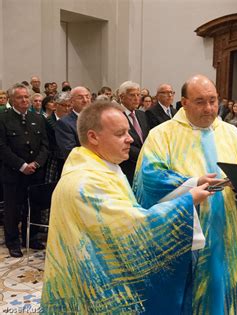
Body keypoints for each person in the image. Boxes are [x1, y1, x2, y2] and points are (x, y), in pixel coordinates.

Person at [41, 101, 212, 313]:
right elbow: (135, 227)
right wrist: (186, 203)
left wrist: (190, 186)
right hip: (91, 293)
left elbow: (126, 215)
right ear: (93, 137)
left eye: (128, 132)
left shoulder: (101, 167)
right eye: (120, 133)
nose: (130, 139)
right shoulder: (86, 184)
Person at [133, 74, 237, 314]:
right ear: (184, 102)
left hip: (226, 232)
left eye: (213, 100)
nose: (209, 108)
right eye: (200, 101)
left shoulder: (233, 134)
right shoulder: (163, 135)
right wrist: (191, 184)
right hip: (183, 236)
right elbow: (148, 177)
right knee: (188, 296)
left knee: (220, 289)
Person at [0, 83, 49, 257]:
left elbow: (45, 144)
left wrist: (36, 163)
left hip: (35, 172)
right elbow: (2, 147)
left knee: (34, 207)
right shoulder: (3, 118)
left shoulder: (38, 118)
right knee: (13, 209)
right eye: (20, 97)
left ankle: (32, 238)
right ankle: (13, 242)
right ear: (12, 99)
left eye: (26, 97)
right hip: (13, 173)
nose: (24, 100)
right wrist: (21, 165)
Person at [117, 81, 149, 185]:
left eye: (138, 95)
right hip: (126, 167)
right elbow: (120, 142)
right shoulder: (116, 115)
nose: (136, 98)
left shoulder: (142, 115)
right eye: (132, 95)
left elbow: (147, 138)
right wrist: (145, 155)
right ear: (121, 97)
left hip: (143, 169)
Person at [55, 86, 91, 160]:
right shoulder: (64, 123)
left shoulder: (98, 118)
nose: (85, 100)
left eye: (87, 97)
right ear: (71, 102)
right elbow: (71, 152)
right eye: (80, 97)